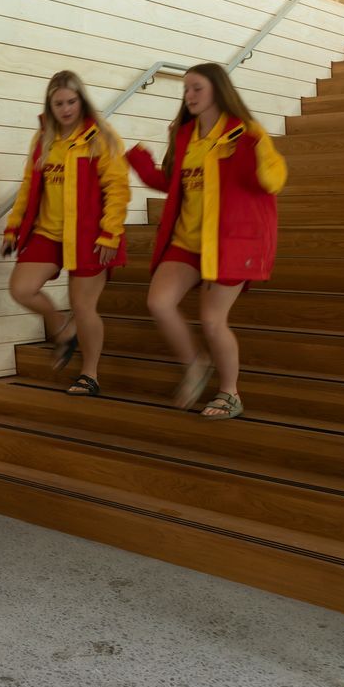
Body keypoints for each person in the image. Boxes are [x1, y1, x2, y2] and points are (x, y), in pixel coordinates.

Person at [127, 62, 287, 420]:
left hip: (231, 243)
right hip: (186, 241)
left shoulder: (244, 134)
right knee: (159, 302)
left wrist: (258, 149)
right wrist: (138, 160)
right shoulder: (186, 135)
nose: (189, 95)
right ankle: (195, 363)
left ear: (218, 89)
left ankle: (229, 392)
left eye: (196, 88)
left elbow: (273, 180)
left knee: (213, 321)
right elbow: (172, 182)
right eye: (186, 89)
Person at [2, 71, 130, 397]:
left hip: (90, 236)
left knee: (84, 306)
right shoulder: (44, 137)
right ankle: (62, 326)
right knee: (21, 288)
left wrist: (110, 233)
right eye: (58, 103)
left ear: (81, 100)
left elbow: (117, 189)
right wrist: (14, 227)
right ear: (50, 104)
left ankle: (90, 374)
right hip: (48, 232)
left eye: (71, 101)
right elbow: (29, 187)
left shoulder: (100, 137)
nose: (66, 108)